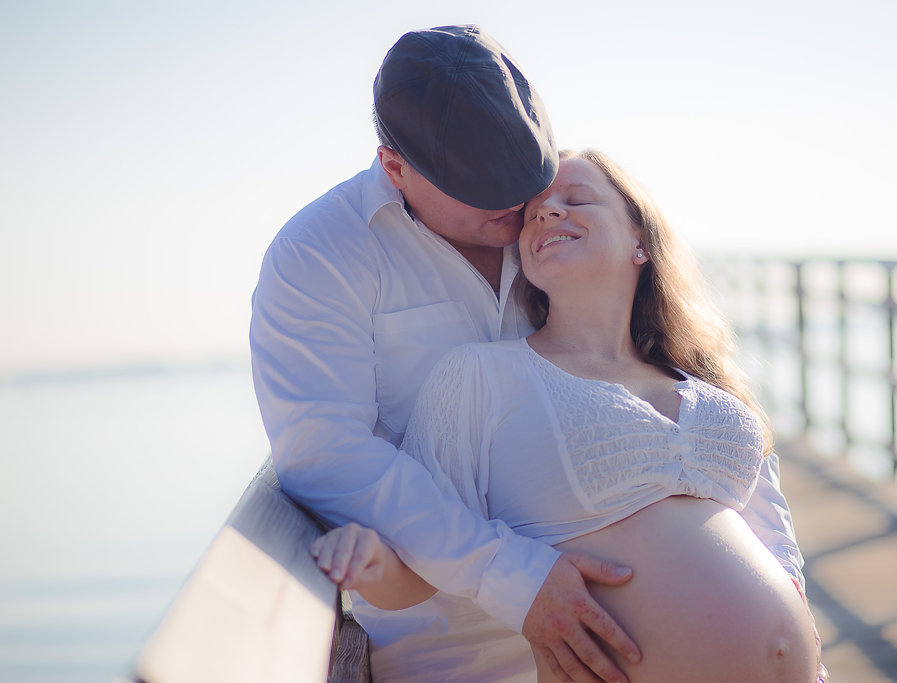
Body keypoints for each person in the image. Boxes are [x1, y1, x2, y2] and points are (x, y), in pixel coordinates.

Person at [251, 24, 809, 683]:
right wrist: (516, 579)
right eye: (484, 186)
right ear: (395, 168)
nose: (524, 206)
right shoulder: (322, 255)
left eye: (529, 174)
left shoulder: (545, 221)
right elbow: (325, 451)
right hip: (459, 644)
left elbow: (710, 418)